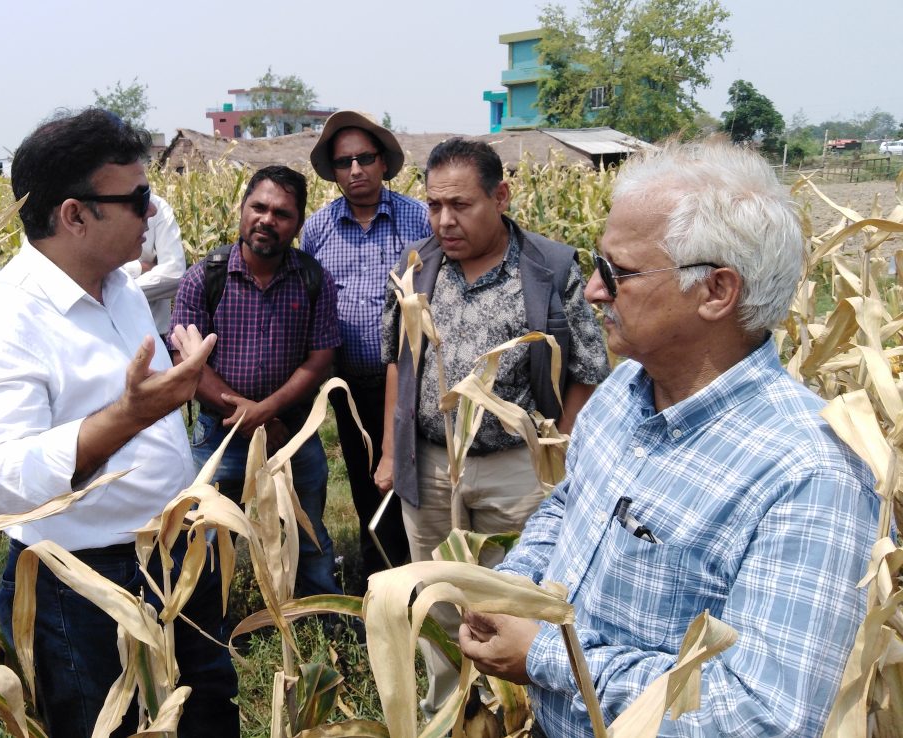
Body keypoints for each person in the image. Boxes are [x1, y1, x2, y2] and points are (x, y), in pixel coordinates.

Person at [458, 139, 880, 737]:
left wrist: (548, 657)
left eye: (617, 272)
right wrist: (515, 586)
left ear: (716, 292)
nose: (595, 291)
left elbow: (760, 718)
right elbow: (571, 505)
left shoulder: (812, 477)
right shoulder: (624, 387)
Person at [0, 109, 238, 738]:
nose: (153, 211)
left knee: (207, 717)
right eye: (136, 198)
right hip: (84, 590)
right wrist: (132, 414)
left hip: (174, 562)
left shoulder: (124, 288)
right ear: (74, 215)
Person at [377, 137, 609, 715]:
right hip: (429, 465)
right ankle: (447, 712)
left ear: (500, 197)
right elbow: (397, 364)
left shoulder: (550, 268)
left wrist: (560, 453)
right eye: (433, 205)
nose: (444, 220)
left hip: (518, 469)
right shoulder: (415, 268)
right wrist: (388, 452)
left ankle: (519, 714)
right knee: (436, 601)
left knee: (515, 601)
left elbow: (587, 368)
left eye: (460, 205)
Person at [169, 165, 342, 598]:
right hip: (219, 435)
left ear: (297, 224)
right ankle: (204, 619)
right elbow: (186, 361)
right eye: (259, 207)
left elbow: (320, 358)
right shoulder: (202, 278)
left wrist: (270, 412)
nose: (268, 219)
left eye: (282, 213)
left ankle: (317, 608)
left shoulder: (311, 279)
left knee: (307, 526)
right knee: (205, 531)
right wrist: (248, 414)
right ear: (242, 210)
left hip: (293, 430)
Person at [301, 111, 431, 583]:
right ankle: (379, 572)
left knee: (411, 475)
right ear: (333, 171)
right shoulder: (318, 229)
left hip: (412, 377)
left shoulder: (419, 219)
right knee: (363, 477)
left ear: (383, 163)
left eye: (365, 158)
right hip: (348, 383)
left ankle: (419, 571)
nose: (355, 170)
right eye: (343, 162)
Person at [122, 192, 186, 338]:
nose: (151, 211)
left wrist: (110, 292)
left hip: (154, 333)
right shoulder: (98, 206)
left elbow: (174, 275)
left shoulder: (159, 208)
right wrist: (140, 268)